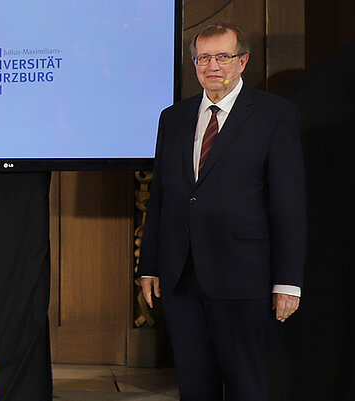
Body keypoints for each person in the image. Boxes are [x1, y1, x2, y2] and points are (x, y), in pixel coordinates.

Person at [138, 22, 306, 400]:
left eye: (223, 57)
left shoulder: (274, 115)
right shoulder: (173, 118)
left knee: (248, 384)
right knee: (195, 386)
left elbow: (289, 205)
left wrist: (287, 281)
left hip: (245, 277)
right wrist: (149, 265)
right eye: (204, 58)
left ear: (242, 61)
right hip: (182, 277)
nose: (213, 66)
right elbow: (161, 198)